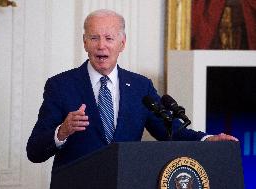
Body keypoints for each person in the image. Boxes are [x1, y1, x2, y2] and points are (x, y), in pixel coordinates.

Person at [26, 9, 238, 179]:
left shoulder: (139, 86)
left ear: (122, 43)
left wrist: (207, 139)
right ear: (84, 42)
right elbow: (34, 151)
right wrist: (61, 131)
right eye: (94, 38)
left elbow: (170, 130)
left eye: (109, 38)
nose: (101, 46)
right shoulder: (60, 85)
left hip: (125, 182)